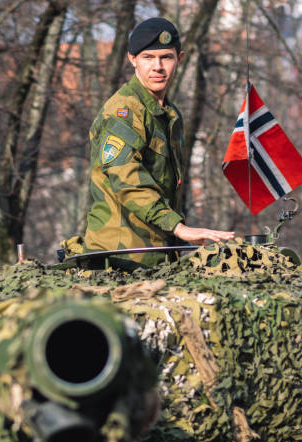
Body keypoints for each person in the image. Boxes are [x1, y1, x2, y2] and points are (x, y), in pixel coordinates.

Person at [83, 17, 234, 267]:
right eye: (148, 57)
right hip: (120, 257)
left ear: (180, 59)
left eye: (166, 57)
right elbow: (127, 179)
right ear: (132, 59)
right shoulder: (125, 110)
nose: (158, 67)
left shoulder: (168, 114)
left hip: (155, 254)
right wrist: (178, 227)